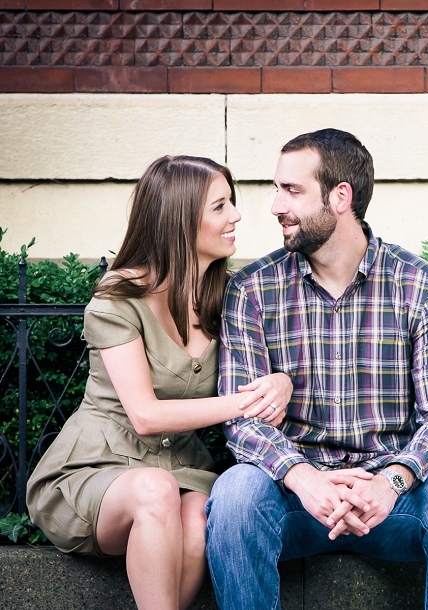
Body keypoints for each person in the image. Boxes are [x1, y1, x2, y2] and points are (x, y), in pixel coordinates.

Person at [205, 128, 428, 610]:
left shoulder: (419, 287)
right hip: (295, 500)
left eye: (291, 190)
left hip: (392, 502)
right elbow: (242, 421)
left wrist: (394, 480)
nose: (276, 205)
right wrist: (303, 477)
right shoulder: (253, 289)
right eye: (276, 189)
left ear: (341, 197)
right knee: (236, 494)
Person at [26, 155, 293, 610]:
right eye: (220, 206)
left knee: (195, 519)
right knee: (156, 491)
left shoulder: (226, 295)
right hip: (98, 471)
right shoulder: (118, 301)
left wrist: (282, 381)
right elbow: (145, 416)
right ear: (179, 219)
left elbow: (271, 367)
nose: (237, 216)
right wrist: (247, 402)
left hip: (182, 470)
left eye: (232, 203)